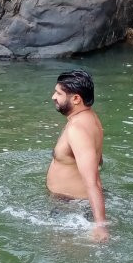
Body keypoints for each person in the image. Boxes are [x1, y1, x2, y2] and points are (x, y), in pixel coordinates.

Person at [46, 70, 108, 241]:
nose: (53, 97)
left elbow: (92, 180)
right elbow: (98, 161)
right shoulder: (91, 118)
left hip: (72, 208)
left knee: (59, 256)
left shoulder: (77, 129)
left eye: (59, 93)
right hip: (75, 204)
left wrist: (100, 226)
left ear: (76, 99)